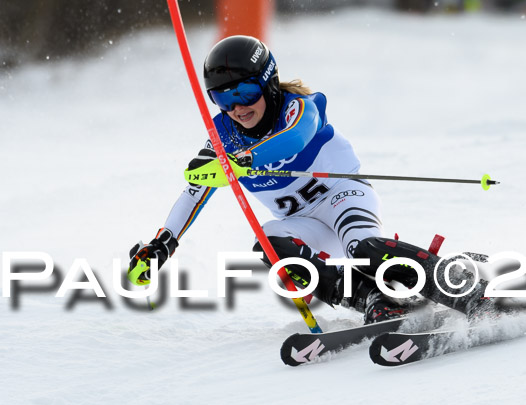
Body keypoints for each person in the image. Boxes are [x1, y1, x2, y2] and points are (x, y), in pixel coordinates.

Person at [128, 35, 484, 323]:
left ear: (267, 84)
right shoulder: (223, 136)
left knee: (365, 250)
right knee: (268, 243)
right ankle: (374, 301)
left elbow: (296, 137)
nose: (237, 107)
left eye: (245, 92)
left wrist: (243, 160)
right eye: (223, 97)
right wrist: (164, 244)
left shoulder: (297, 106)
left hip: (344, 198)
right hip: (302, 222)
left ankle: (462, 290)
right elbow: (195, 192)